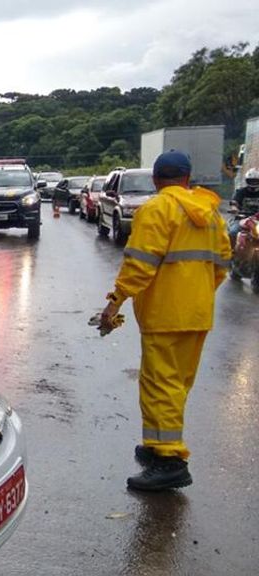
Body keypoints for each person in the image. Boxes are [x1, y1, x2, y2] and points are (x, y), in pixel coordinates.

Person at [96, 149, 231, 492]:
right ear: (188, 179)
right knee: (177, 384)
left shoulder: (156, 209)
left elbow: (140, 265)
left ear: (156, 180)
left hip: (164, 314)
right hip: (197, 313)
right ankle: (157, 447)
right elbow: (221, 266)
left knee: (159, 385)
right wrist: (196, 293)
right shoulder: (211, 214)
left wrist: (115, 302)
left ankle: (170, 460)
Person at [228, 168, 259, 246]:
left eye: (255, 180)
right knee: (233, 232)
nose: (253, 183)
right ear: (247, 180)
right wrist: (234, 209)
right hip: (242, 219)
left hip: (257, 219)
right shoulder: (241, 192)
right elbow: (234, 203)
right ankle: (232, 252)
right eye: (251, 180)